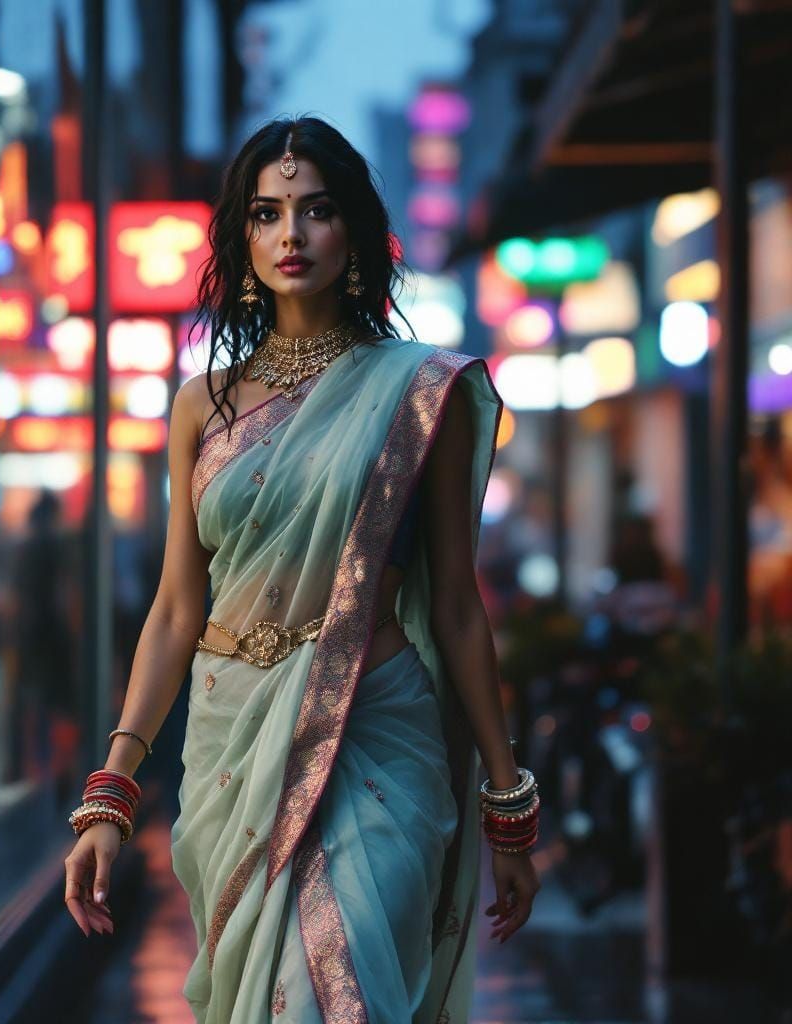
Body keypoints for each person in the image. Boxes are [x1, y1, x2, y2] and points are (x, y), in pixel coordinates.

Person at [63, 116, 541, 1022]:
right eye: (268, 213)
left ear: (352, 229)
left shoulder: (417, 391)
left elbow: (459, 611)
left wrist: (506, 802)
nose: (291, 235)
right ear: (241, 238)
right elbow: (174, 610)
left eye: (316, 211)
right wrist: (110, 797)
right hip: (229, 745)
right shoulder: (199, 407)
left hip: (374, 737)